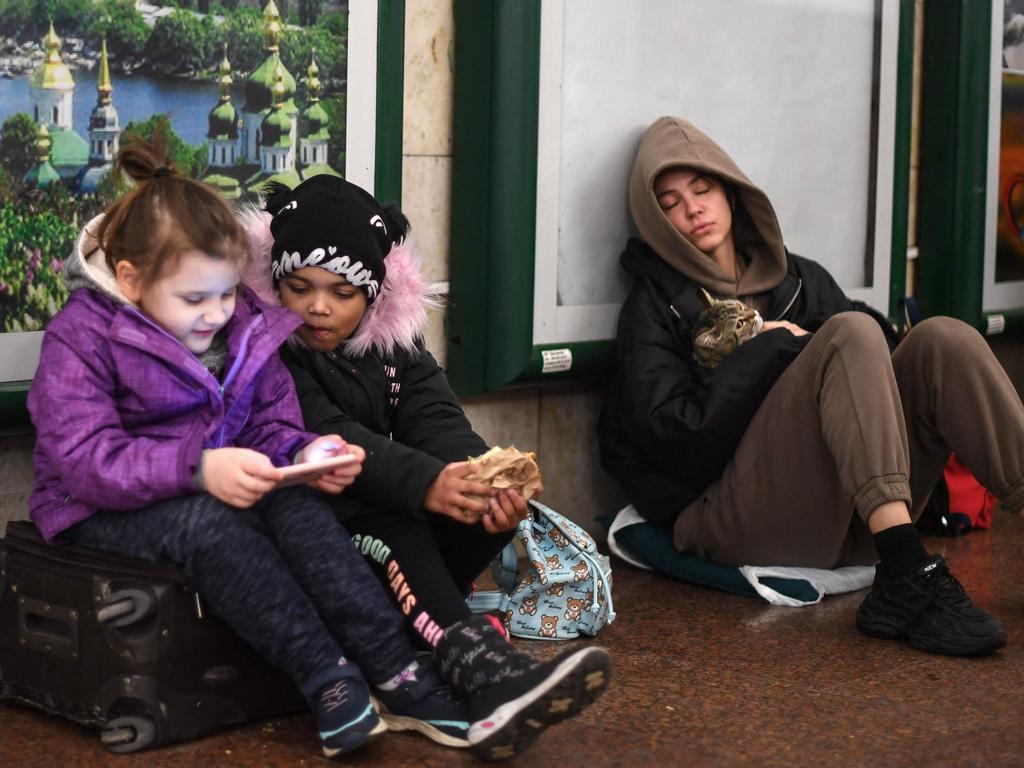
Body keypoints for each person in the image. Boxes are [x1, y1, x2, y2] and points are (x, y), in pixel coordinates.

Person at [28, 140, 500, 759]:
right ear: (130, 280)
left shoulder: (241, 318)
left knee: (300, 506)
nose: (215, 314)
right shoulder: (82, 335)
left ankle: (396, 672)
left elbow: (272, 420)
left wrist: (305, 453)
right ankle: (328, 678)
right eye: (194, 300)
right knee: (211, 526)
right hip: (95, 506)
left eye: (225, 294)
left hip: (211, 479)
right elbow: (84, 459)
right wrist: (197, 469)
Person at [598, 116, 1024, 657]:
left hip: (845, 513)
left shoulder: (798, 279)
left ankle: (910, 541)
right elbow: (675, 441)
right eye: (671, 203)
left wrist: (803, 344)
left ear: (731, 192)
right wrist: (766, 350)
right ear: (656, 223)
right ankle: (907, 574)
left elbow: (882, 379)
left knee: (942, 340)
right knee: (847, 333)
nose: (693, 209)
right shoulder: (655, 307)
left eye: (703, 189)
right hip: (731, 514)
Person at [239, 174, 612, 760]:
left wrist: (477, 479)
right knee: (398, 523)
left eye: (342, 292)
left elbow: (434, 417)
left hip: (371, 517)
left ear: (372, 295)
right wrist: (427, 485)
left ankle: (433, 640)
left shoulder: (393, 343)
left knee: (484, 511)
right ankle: (486, 679)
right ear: (274, 281)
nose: (318, 306)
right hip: (301, 531)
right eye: (299, 286)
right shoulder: (266, 349)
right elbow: (327, 433)